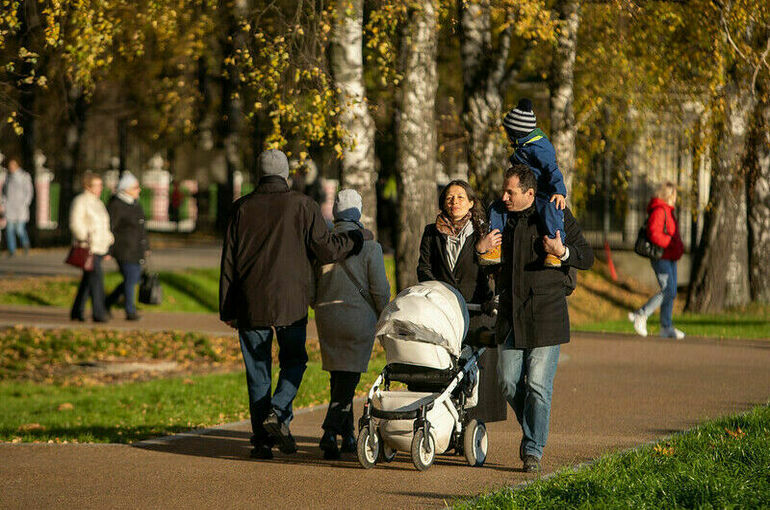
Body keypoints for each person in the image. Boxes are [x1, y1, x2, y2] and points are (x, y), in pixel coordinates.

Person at [219, 149, 370, 460]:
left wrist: (228, 307)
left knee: (257, 371)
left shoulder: (240, 208)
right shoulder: (303, 205)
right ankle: (278, 409)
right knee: (294, 361)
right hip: (291, 300)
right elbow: (326, 250)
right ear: (285, 173)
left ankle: (262, 441)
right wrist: (354, 240)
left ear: (259, 173)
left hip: (250, 302)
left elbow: (229, 262)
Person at [475, 164, 594, 472]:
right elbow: (485, 266)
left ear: (529, 193)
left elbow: (587, 257)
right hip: (510, 315)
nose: (503, 196)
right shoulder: (499, 218)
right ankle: (534, 426)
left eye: (510, 192)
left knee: (539, 386)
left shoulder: (556, 211)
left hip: (546, 314)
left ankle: (533, 450)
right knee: (507, 383)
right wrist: (481, 250)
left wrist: (562, 250)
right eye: (503, 190)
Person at [314, 189, 390, 459]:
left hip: (326, 317)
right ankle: (329, 430)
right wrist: (385, 315)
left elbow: (312, 285)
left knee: (339, 376)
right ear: (358, 212)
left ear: (335, 212)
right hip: (358, 318)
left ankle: (346, 437)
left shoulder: (322, 243)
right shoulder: (370, 246)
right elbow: (379, 289)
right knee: (349, 377)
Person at [481, 98, 567, 268]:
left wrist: (559, 191)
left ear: (516, 133)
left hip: (543, 190)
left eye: (508, 133)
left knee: (552, 210)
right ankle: (495, 245)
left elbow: (552, 169)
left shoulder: (540, 148)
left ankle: (554, 249)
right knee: (497, 208)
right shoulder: (523, 146)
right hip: (524, 189)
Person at [417, 179, 491, 307]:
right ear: (444, 204)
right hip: (442, 309)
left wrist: (482, 252)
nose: (454, 201)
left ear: (471, 203)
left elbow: (493, 271)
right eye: (449, 198)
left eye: (460, 197)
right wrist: (440, 293)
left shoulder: (484, 232)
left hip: (476, 309)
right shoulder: (431, 232)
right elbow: (424, 269)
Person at [628, 182, 685, 339]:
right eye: (674, 195)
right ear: (667, 195)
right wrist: (670, 244)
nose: (675, 199)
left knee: (671, 291)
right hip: (662, 257)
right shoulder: (660, 210)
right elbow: (654, 233)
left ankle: (666, 326)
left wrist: (678, 247)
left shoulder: (669, 211)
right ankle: (642, 314)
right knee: (668, 290)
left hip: (670, 256)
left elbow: (673, 234)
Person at [70, 172, 114, 323]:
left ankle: (77, 310)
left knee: (88, 280)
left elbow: (104, 225)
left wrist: (108, 241)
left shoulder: (98, 203)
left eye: (101, 185)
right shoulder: (80, 201)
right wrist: (85, 237)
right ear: (88, 186)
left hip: (100, 247)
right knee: (96, 279)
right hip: (89, 247)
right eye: (97, 185)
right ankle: (99, 312)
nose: (101, 188)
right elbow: (76, 223)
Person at [105, 172, 149, 321]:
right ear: (126, 189)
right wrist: (109, 249)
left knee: (133, 279)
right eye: (136, 187)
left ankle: (108, 302)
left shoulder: (135, 203)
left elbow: (141, 228)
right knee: (131, 279)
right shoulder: (116, 205)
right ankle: (130, 311)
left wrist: (146, 247)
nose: (139, 190)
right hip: (124, 249)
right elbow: (110, 227)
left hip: (136, 249)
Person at [2, 158, 33, 256]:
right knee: (9, 229)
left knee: (19, 229)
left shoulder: (24, 176)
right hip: (10, 207)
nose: (11, 167)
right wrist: (4, 202)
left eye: (13, 165)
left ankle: (25, 244)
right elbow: (4, 192)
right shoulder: (8, 177)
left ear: (17, 166)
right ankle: (12, 250)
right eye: (10, 165)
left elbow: (29, 191)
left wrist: (26, 202)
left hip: (21, 208)